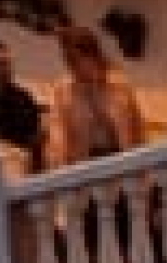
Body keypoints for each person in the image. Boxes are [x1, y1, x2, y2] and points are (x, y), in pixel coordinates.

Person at [52, 23, 149, 166]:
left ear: (92, 55)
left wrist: (142, 167)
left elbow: (137, 130)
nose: (71, 66)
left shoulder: (119, 85)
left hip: (124, 161)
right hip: (85, 166)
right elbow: (59, 140)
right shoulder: (63, 91)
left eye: (74, 60)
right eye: (67, 59)